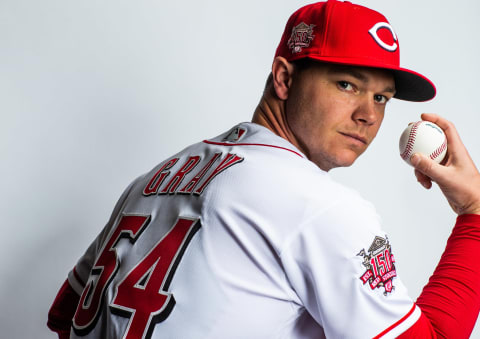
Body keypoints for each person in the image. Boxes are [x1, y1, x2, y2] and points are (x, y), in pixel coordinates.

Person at [48, 1, 480, 338]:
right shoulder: (320, 207)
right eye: (347, 84)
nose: (368, 114)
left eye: (382, 98)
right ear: (284, 78)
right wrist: (474, 213)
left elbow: (66, 314)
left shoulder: (155, 177)